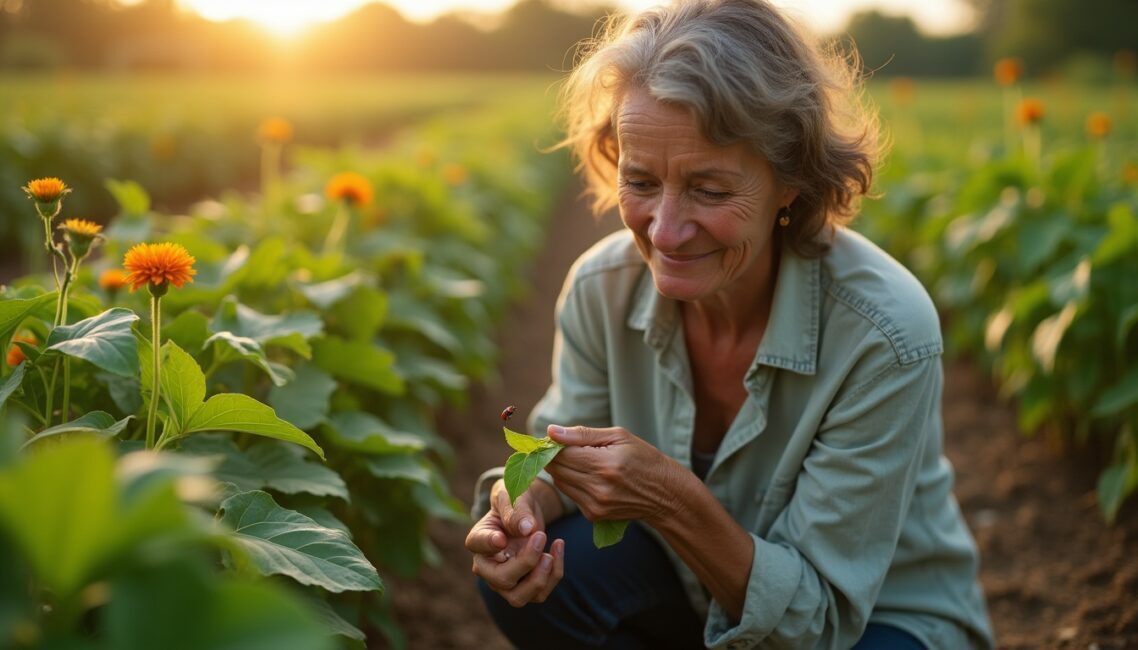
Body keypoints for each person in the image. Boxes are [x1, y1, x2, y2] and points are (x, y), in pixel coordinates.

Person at [464, 0, 995, 647]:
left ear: (791, 180)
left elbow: (821, 621)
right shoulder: (601, 290)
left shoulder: (883, 333)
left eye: (709, 189)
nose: (664, 229)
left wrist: (673, 499)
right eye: (640, 180)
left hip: (871, 621)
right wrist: (523, 512)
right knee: (540, 582)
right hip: (694, 589)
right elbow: (561, 459)